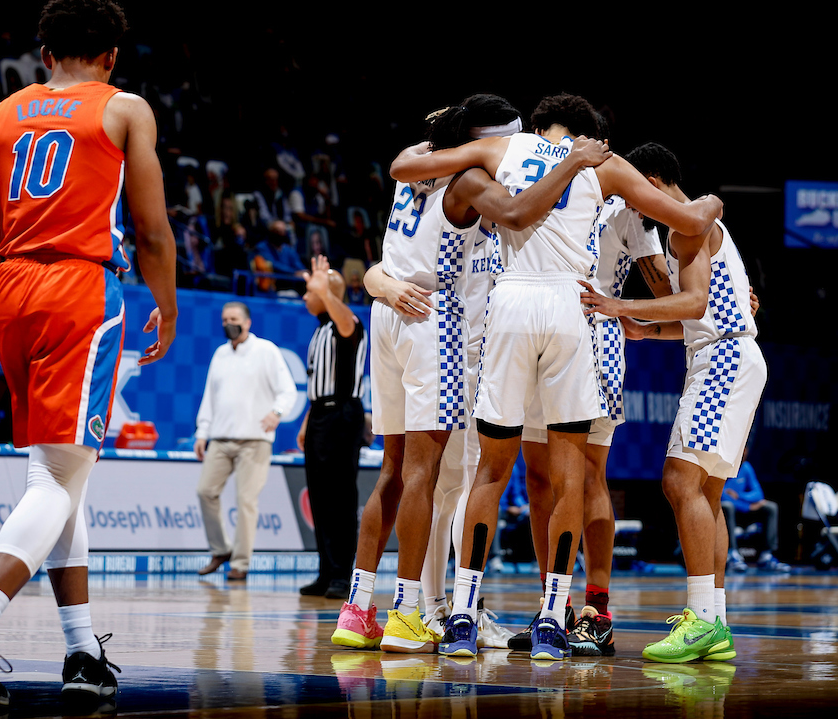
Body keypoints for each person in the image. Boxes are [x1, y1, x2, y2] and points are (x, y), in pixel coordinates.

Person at [0, 0, 178, 706]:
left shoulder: (0, 115)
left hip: (10, 292)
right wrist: (167, 304)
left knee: (64, 477)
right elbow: (152, 229)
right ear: (112, 55)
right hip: (80, 289)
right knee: (55, 481)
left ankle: (83, 652)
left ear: (45, 53)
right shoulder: (125, 107)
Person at [390, 94, 723, 661]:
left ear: (539, 127)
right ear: (592, 138)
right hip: (572, 313)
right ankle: (552, 618)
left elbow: (404, 170)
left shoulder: (501, 148)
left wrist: (427, 146)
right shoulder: (603, 164)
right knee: (571, 477)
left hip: (512, 307)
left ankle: (464, 615)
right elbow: (691, 221)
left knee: (492, 471)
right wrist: (714, 200)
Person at [339, 95, 607, 654]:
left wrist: (376, 282)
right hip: (442, 328)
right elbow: (514, 214)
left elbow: (383, 256)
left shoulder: (418, 166)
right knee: (439, 480)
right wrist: (572, 163)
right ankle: (420, 610)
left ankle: (361, 608)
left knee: (410, 476)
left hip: (396, 315)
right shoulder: (474, 185)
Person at [581, 141, 766, 663]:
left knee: (679, 481)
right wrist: (644, 329)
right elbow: (691, 319)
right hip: (726, 353)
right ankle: (717, 620)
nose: (633, 201)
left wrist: (621, 303)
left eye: (637, 190)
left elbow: (695, 303)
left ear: (655, 180)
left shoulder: (687, 226)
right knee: (705, 492)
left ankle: (702, 619)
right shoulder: (687, 227)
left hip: (724, 359)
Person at [513, 192, 669, 657]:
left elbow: (665, 283)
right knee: (538, 478)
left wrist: (723, 293)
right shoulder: (540, 184)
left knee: (586, 476)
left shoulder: (626, 207)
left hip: (594, 337)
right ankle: (552, 606)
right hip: (538, 332)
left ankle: (597, 612)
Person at [194, 302, 297, 581]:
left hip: (255, 441)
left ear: (248, 322)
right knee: (205, 491)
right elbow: (209, 397)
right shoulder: (220, 354)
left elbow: (288, 391)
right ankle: (221, 549)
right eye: (225, 318)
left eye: (234, 318)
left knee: (246, 500)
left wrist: (277, 413)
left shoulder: (266, 350)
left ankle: (240, 563)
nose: (229, 322)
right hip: (221, 438)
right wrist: (202, 432)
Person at [297, 255, 367, 600]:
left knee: (340, 498)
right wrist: (307, 423)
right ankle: (326, 571)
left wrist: (324, 291)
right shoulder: (321, 329)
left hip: (342, 416)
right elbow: (316, 384)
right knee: (321, 498)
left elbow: (348, 325)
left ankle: (342, 574)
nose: (304, 298)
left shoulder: (346, 321)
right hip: (320, 416)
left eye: (308, 292)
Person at [721, 452, 791, 572]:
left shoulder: (746, 467)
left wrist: (740, 496)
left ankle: (766, 555)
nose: (743, 452)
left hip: (742, 506)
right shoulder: (721, 467)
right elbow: (722, 495)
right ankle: (732, 554)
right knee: (727, 506)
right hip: (726, 510)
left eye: (745, 449)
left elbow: (758, 494)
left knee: (770, 507)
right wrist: (748, 507)